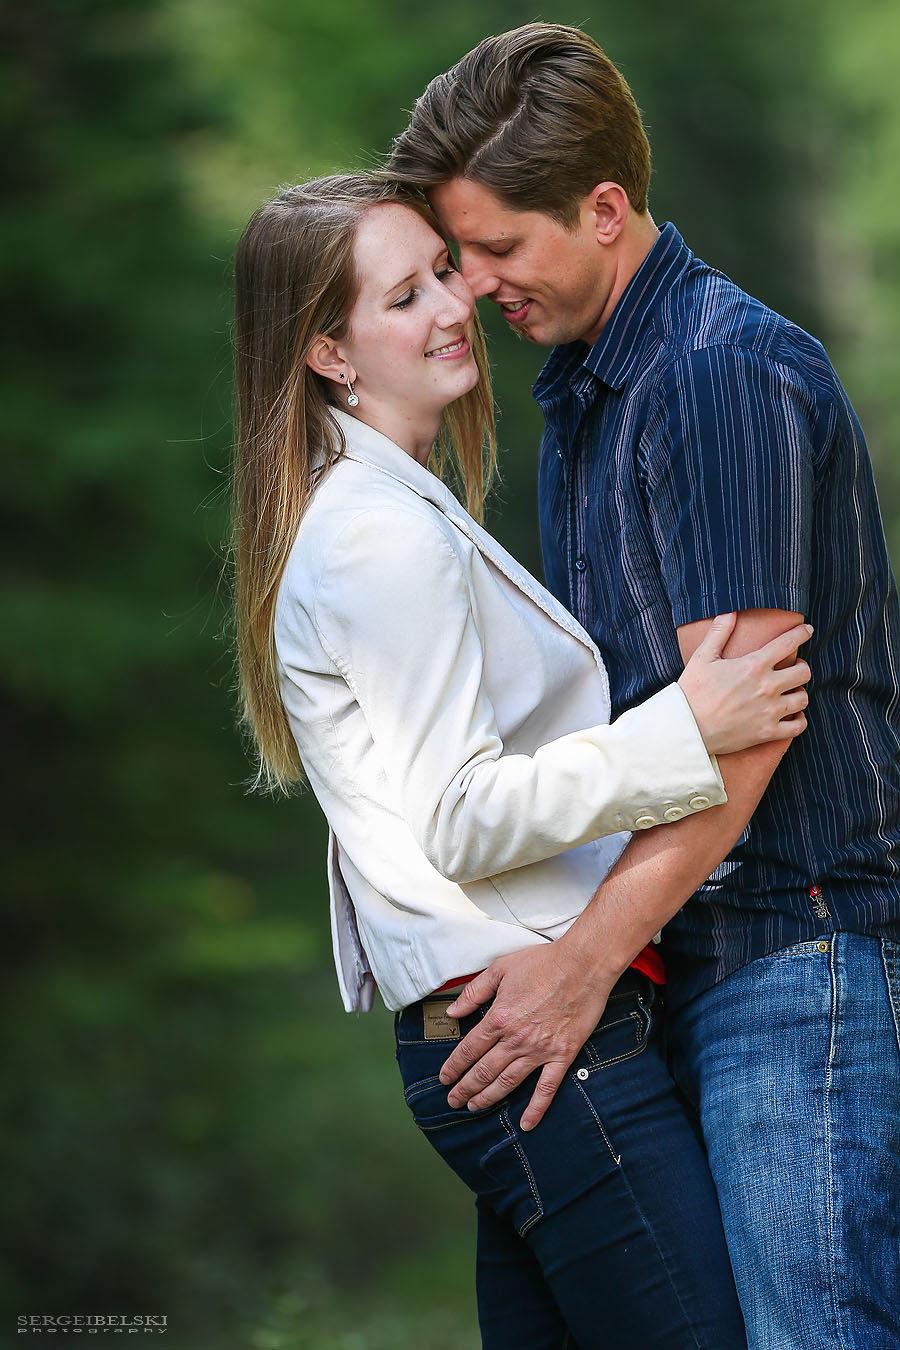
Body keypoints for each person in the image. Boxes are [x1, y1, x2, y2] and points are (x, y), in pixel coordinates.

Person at [231, 174, 813, 1348]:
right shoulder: (380, 537)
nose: (454, 304)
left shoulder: (393, 510)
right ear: (331, 354)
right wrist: (689, 732)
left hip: (509, 1035)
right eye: (404, 297)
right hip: (534, 1036)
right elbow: (458, 818)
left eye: (443, 269)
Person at [386, 22, 900, 1349]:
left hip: (797, 967)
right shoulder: (594, 394)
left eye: (501, 247)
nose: (479, 285)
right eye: (460, 255)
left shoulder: (717, 375)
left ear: (604, 210)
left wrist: (579, 966)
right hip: (691, 971)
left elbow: (744, 737)